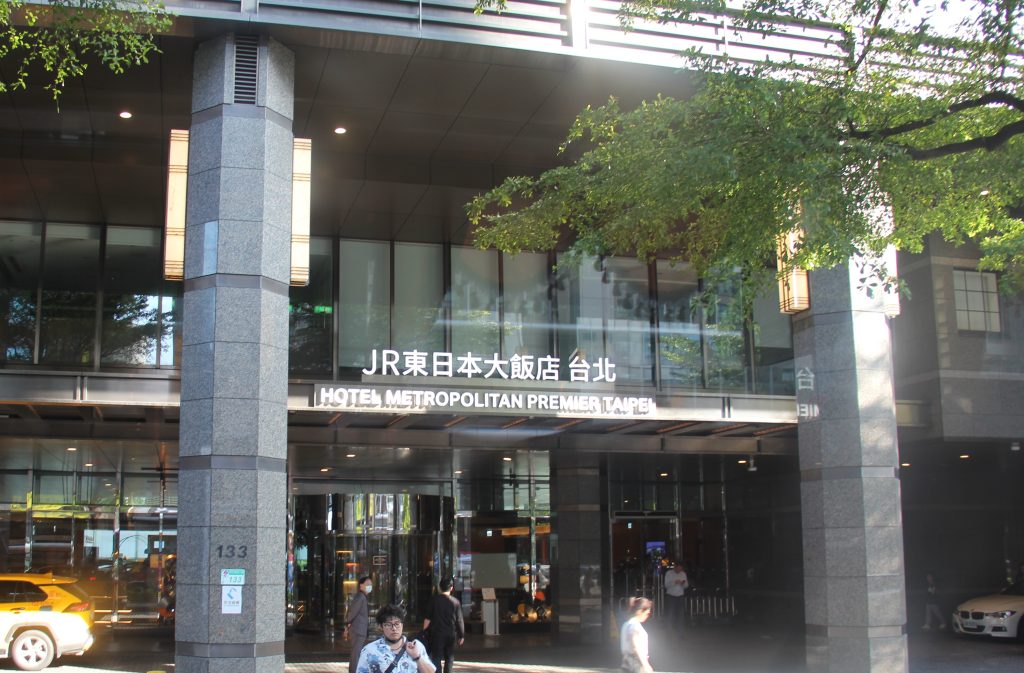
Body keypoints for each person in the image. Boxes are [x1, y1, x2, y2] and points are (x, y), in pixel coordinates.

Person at [356, 603, 435, 673]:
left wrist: (417, 657)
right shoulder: (369, 650)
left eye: (397, 624)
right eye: (388, 624)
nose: (394, 628)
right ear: (381, 627)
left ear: (402, 624)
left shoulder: (416, 646)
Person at [422, 576, 464, 673]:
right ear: (451, 588)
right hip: (451, 634)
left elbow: (427, 619)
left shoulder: (434, 600)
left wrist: (424, 632)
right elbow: (459, 620)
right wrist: (461, 635)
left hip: (437, 634)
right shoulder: (456, 602)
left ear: (440, 587)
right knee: (449, 657)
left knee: (436, 657)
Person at [344, 576, 372, 672]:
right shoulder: (360, 597)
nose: (370, 586)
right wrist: (347, 624)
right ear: (361, 586)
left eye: (370, 584)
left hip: (360, 630)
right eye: (367, 584)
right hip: (358, 630)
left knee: (358, 652)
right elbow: (352, 612)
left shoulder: (363, 597)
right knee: (356, 653)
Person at [620, 596, 654, 673]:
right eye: (647, 613)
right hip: (636, 662)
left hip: (626, 660)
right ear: (640, 611)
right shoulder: (635, 626)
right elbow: (636, 646)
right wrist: (646, 664)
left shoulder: (626, 624)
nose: (647, 616)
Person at [663, 562, 689, 631]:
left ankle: (680, 632)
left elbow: (686, 585)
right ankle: (669, 631)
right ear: (675, 567)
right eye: (678, 569)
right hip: (671, 596)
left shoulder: (683, 574)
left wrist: (682, 584)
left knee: (681, 615)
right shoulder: (669, 573)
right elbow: (666, 585)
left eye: (681, 569)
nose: (679, 570)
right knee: (670, 614)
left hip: (680, 596)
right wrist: (674, 582)